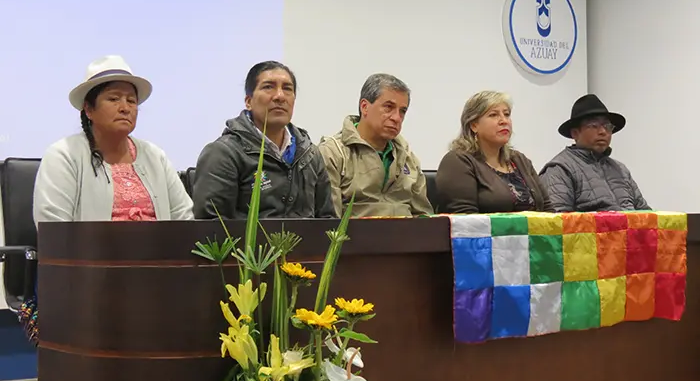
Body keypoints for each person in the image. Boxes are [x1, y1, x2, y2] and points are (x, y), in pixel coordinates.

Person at [33, 55, 193, 225]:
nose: (125, 108)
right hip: (88, 252)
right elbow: (54, 229)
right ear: (88, 109)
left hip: (161, 251)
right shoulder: (63, 155)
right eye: (114, 99)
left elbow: (184, 218)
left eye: (131, 101)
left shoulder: (156, 157)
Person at [193, 61, 334, 219]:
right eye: (268, 87)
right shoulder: (223, 153)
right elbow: (211, 227)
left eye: (287, 88)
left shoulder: (310, 154)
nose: (279, 96)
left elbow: (327, 221)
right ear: (248, 101)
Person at [318, 73, 433, 217]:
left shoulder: (408, 158)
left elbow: (423, 216)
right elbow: (329, 221)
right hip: (355, 238)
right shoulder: (333, 153)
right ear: (364, 107)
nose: (397, 118)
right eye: (388, 107)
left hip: (406, 237)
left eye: (402, 111)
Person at [436, 91, 552, 213]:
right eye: (493, 115)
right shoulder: (458, 161)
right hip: (486, 232)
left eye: (506, 114)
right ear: (474, 125)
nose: (504, 121)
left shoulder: (519, 160)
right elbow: (464, 219)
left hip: (534, 232)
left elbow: (548, 209)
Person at [539, 94, 650, 212]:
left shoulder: (620, 169)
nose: (603, 131)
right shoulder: (560, 169)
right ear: (575, 133)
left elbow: (645, 213)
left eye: (607, 126)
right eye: (594, 125)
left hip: (632, 230)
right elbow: (558, 221)